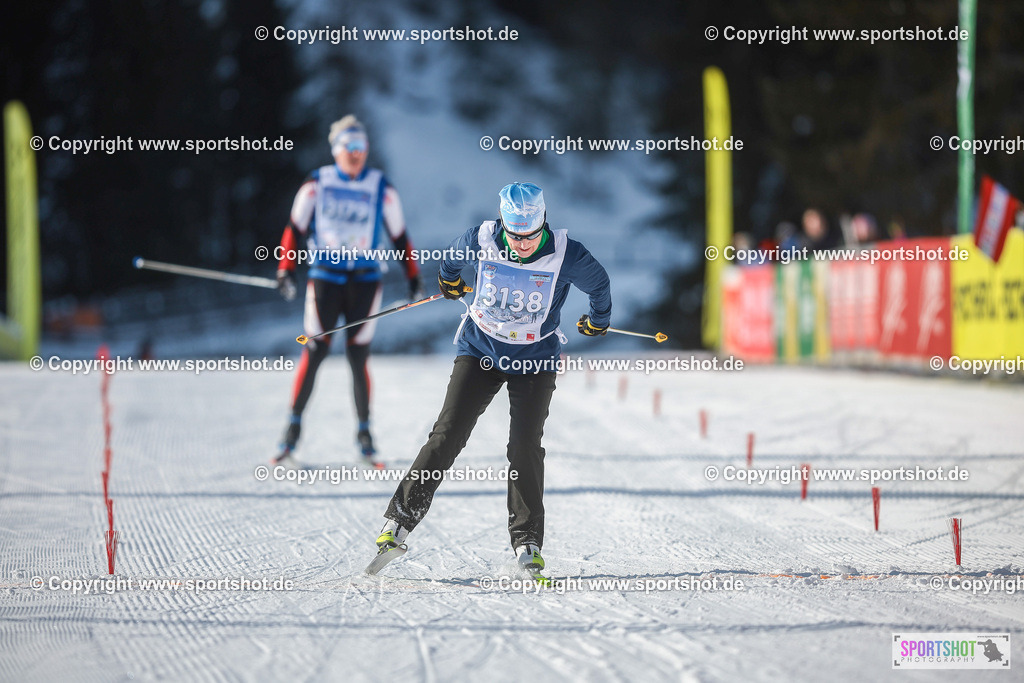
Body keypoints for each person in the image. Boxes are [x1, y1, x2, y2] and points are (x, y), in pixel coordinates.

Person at [371, 182, 612, 577]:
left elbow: (600, 285)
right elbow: (450, 260)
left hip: (534, 359)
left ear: (543, 224)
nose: (521, 244)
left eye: (530, 236)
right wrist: (450, 281)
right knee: (447, 433)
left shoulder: (569, 254)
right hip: (481, 350)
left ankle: (527, 541)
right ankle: (397, 522)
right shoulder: (481, 238)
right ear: (504, 225)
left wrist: (598, 320)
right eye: (515, 236)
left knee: (524, 447)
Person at [274, 115, 421, 467]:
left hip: (366, 282)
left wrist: (413, 274)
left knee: (358, 357)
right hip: (326, 279)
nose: (356, 154)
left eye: (361, 147)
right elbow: (294, 229)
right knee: (316, 352)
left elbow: (399, 235)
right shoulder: (317, 183)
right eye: (348, 147)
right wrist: (285, 268)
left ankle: (366, 437)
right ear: (336, 150)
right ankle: (290, 435)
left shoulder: (380, 186)